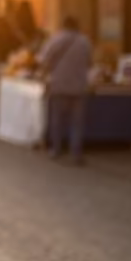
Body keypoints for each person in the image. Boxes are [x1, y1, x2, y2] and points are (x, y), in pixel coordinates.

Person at [39, 16, 93, 165]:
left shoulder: (56, 40)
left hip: (59, 85)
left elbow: (43, 60)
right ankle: (76, 152)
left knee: (57, 119)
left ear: (63, 25)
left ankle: (56, 149)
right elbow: (90, 62)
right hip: (79, 86)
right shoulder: (85, 42)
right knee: (77, 122)